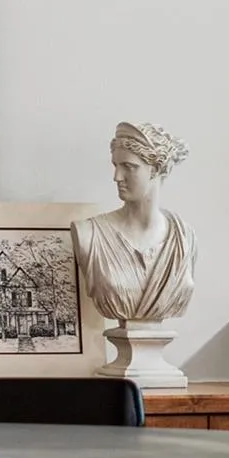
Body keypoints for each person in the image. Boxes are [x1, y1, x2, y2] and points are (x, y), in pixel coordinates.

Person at [71, 122, 197, 324]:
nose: (116, 177)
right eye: (115, 166)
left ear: (155, 169)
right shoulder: (89, 233)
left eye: (128, 167)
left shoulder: (184, 236)